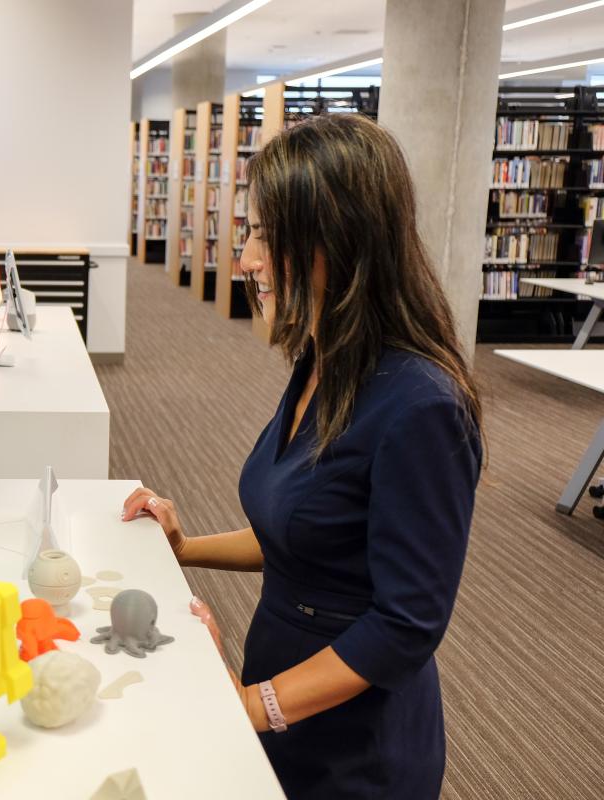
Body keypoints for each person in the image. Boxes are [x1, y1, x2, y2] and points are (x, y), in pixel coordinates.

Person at [122, 113, 483, 800]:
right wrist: (184, 547)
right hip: (288, 698)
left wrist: (257, 707)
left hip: (354, 746)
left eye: (264, 235)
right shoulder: (325, 362)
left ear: (334, 241)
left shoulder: (422, 406)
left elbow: (407, 624)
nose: (248, 259)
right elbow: (307, 532)